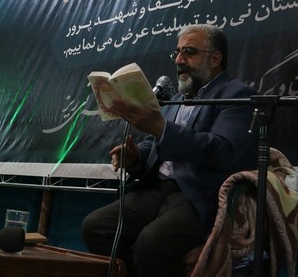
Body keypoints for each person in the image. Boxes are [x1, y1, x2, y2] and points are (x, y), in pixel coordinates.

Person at [81, 24, 258, 277]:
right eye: (177, 52)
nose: (179, 60)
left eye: (189, 52)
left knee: (152, 242)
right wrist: (136, 156)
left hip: (198, 192)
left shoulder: (238, 95)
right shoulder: (175, 100)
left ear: (215, 58)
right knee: (96, 226)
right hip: (157, 189)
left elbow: (221, 149)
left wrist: (161, 128)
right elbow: (154, 145)